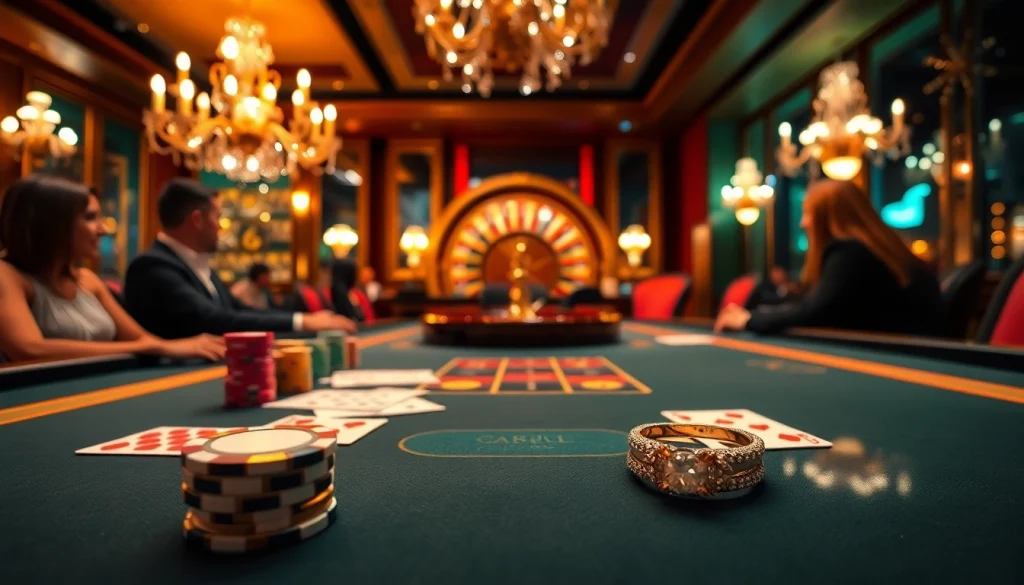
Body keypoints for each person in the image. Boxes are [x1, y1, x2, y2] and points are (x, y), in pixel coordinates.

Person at [0, 176, 225, 362]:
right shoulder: (7, 276)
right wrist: (154, 347)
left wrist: (177, 346)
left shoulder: (88, 280)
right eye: (90, 218)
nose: (103, 230)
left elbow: (143, 340)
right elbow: (29, 350)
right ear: (51, 224)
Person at [123, 179, 356, 338]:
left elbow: (242, 310)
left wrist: (302, 318)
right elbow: (217, 321)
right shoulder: (152, 268)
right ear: (197, 220)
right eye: (218, 218)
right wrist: (302, 323)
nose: (221, 227)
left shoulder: (196, 265)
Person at [715, 180, 944, 336]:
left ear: (829, 218)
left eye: (808, 213)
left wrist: (749, 321)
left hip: (899, 361)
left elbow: (816, 312)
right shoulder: (871, 250)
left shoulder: (851, 253)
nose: (802, 223)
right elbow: (813, 302)